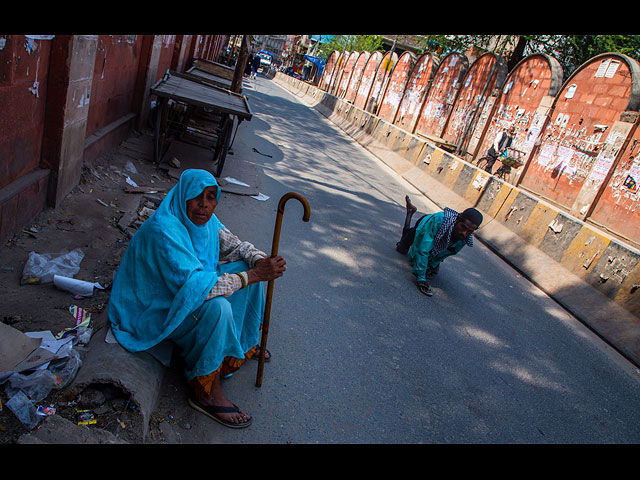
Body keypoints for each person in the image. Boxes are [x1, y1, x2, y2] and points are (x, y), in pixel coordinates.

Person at [108, 169, 286, 428]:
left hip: (186, 291)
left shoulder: (207, 221)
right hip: (156, 308)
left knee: (245, 273)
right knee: (219, 308)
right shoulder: (164, 229)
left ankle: (235, 343)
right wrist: (254, 274)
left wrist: (259, 260)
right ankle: (205, 392)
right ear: (183, 196)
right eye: (196, 196)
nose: (204, 204)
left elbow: (234, 245)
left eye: (211, 197)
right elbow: (196, 288)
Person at [396, 196, 482, 296]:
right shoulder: (438, 220)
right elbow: (423, 248)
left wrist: (431, 264)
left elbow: (447, 252)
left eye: (469, 231)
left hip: (438, 239)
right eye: (463, 227)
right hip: (424, 225)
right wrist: (421, 278)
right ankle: (410, 213)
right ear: (457, 219)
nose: (464, 233)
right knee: (402, 248)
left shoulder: (464, 237)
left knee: (431, 270)